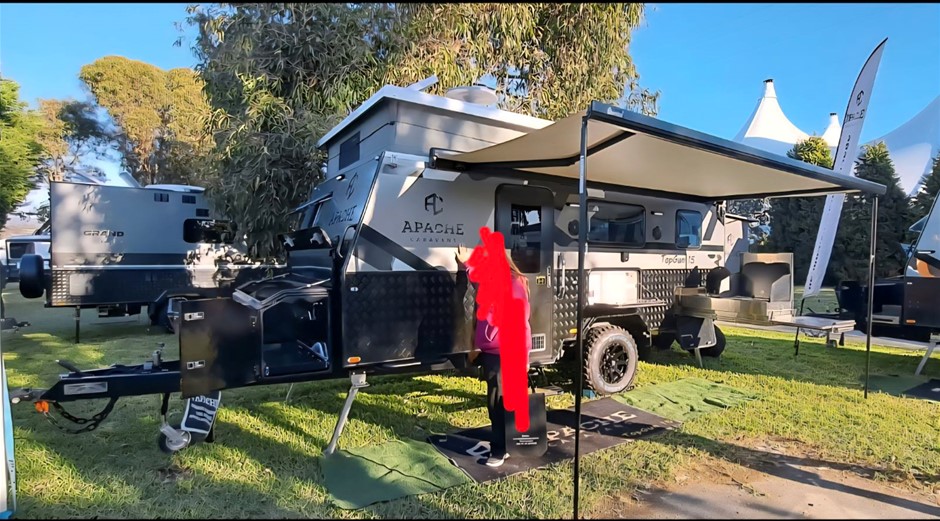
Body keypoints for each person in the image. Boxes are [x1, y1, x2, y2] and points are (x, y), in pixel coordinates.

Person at [456, 242, 532, 468]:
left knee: (499, 402)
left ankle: (500, 450)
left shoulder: (513, 284)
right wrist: (466, 264)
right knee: (496, 401)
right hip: (492, 353)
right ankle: (506, 443)